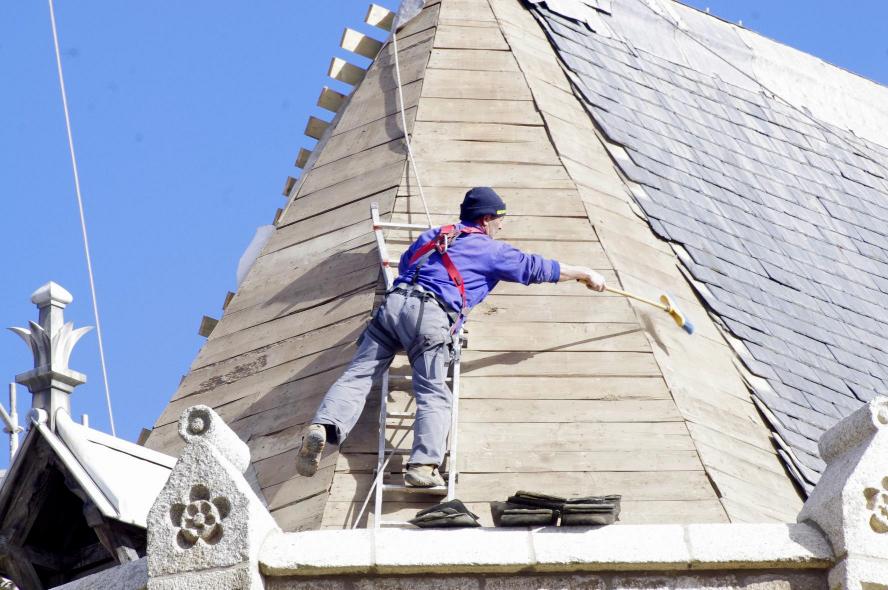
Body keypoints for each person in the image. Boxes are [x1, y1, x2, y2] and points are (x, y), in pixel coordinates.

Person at [295, 187, 606, 486]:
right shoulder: (490, 250)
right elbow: (535, 268)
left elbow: (406, 265)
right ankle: (422, 467)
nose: (501, 226)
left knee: (358, 375)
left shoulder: (433, 235)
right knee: (433, 393)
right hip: (430, 315)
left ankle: (324, 425)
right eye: (500, 219)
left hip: (393, 305)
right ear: (486, 219)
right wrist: (584, 272)